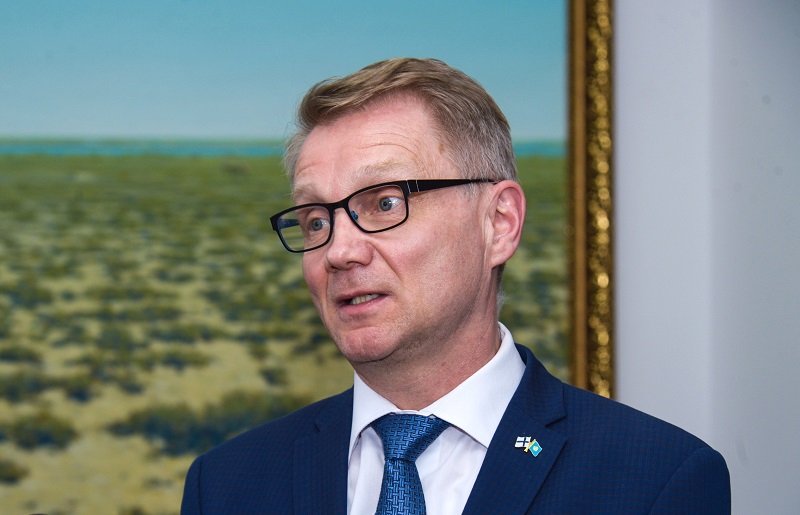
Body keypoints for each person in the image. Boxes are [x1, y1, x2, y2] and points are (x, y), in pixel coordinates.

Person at [181, 58, 730, 514]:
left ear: (499, 224)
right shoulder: (227, 486)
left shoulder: (655, 480)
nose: (339, 251)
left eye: (385, 203)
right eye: (315, 220)